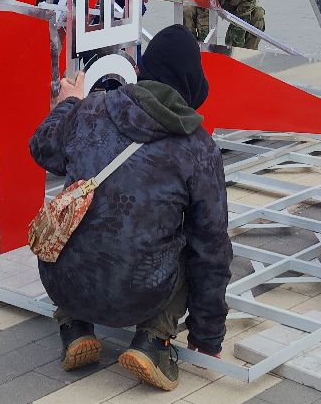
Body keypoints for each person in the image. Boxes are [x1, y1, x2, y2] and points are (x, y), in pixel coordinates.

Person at [31, 25, 230, 392]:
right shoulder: (198, 148)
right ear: (192, 85)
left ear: (140, 71)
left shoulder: (91, 109)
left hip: (64, 283)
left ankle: (74, 325)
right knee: (194, 244)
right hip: (140, 295)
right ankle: (154, 340)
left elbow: (42, 149)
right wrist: (208, 336)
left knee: (76, 226)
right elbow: (212, 251)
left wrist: (68, 104)